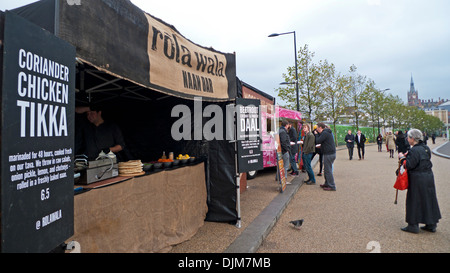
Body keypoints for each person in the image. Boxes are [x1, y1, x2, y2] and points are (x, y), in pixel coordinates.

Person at [398, 129, 441, 233]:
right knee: (429, 199)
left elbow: (409, 165)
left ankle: (413, 225)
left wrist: (403, 157)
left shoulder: (414, 150)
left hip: (417, 178)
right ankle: (431, 223)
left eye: (408, 137)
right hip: (428, 176)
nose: (407, 139)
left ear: (413, 138)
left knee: (414, 200)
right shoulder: (426, 148)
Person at [315, 122, 336, 191]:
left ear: (320, 127)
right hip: (330, 153)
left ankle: (332, 185)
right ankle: (327, 183)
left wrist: (316, 135)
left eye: (317, 128)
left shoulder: (324, 133)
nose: (316, 129)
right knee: (327, 170)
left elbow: (318, 141)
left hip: (328, 154)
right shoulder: (327, 132)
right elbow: (326, 142)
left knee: (328, 170)